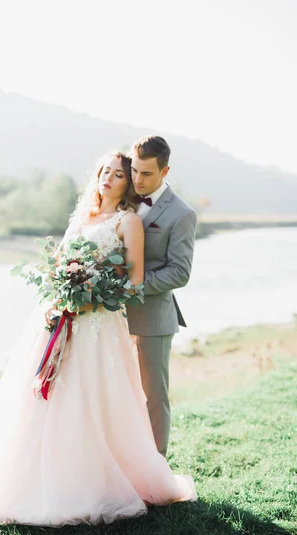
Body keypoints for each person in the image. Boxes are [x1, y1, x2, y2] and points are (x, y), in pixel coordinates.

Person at [0, 151, 197, 526]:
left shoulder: (128, 221)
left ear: (128, 182)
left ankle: (91, 478)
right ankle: (28, 472)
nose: (109, 178)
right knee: (39, 393)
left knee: (90, 396)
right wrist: (60, 293)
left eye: (118, 174)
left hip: (98, 322)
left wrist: (94, 297)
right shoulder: (82, 217)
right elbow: (59, 263)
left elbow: (133, 282)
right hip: (58, 314)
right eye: (105, 171)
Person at [127, 136, 197, 457]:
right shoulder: (121, 198)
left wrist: (131, 287)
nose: (138, 180)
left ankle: (156, 474)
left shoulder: (181, 214)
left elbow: (179, 273)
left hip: (153, 320)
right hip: (109, 318)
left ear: (165, 171)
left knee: (153, 398)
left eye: (147, 174)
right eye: (134, 171)